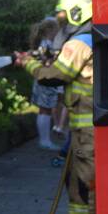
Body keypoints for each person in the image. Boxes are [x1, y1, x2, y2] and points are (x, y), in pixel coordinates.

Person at [14, 0, 96, 214]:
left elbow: (55, 76)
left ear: (78, 11)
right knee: (76, 189)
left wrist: (28, 63)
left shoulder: (80, 42)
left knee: (89, 190)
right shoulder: (88, 37)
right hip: (82, 132)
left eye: (64, 14)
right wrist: (44, 58)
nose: (62, 20)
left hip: (89, 133)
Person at [28, 18, 62, 150]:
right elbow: (46, 62)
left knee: (45, 110)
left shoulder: (45, 44)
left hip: (44, 80)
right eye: (56, 30)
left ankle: (45, 140)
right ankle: (45, 141)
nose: (57, 33)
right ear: (49, 30)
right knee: (45, 110)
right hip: (45, 81)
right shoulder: (45, 44)